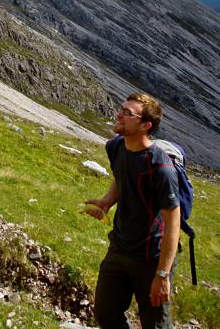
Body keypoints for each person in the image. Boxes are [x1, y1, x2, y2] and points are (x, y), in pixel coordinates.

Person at [84, 92, 181, 329]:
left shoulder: (161, 168)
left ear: (146, 125)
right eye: (122, 108)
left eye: (128, 113)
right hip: (119, 248)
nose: (120, 114)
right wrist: (107, 202)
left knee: (155, 325)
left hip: (151, 258)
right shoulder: (116, 147)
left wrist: (162, 275)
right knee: (105, 313)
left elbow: (173, 225)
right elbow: (121, 176)